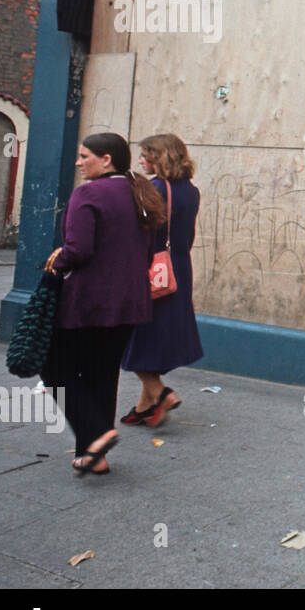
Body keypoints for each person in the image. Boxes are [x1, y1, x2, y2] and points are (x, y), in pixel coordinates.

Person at [42, 132, 165, 475]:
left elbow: (79, 250)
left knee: (54, 369)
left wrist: (57, 259)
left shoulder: (89, 193)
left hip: (88, 302)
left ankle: (96, 435)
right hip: (130, 302)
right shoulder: (140, 192)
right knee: (101, 372)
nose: (79, 163)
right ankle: (94, 454)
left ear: (106, 159)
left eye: (85, 156)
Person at [120, 133, 205, 427]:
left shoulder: (155, 188)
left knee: (133, 336)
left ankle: (162, 393)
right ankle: (145, 408)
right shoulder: (191, 191)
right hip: (178, 266)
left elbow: (137, 232)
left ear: (160, 157)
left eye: (145, 155)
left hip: (152, 269)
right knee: (155, 336)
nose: (141, 161)